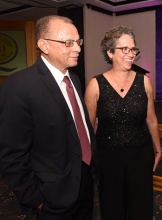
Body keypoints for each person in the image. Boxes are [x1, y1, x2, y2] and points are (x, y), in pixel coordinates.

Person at [0, 15, 99, 220]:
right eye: (68, 43)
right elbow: (12, 155)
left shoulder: (75, 79)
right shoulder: (19, 86)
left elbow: (77, 129)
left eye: (78, 42)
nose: (78, 48)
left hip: (84, 185)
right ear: (44, 45)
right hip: (51, 196)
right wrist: (35, 199)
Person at [84, 25, 162, 220]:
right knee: (112, 207)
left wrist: (158, 149)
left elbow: (151, 119)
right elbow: (88, 128)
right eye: (124, 49)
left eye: (133, 49)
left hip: (140, 155)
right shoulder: (95, 85)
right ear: (110, 52)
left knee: (140, 206)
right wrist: (88, 162)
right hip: (108, 157)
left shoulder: (144, 82)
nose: (131, 54)